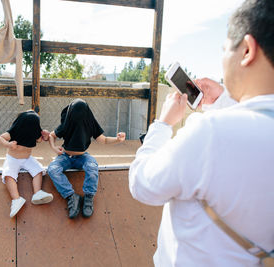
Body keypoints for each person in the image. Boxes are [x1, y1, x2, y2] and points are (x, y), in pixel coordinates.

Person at [129, 0, 274, 266]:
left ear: (246, 50)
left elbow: (142, 185)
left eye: (224, 49)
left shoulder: (209, 135)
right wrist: (223, 100)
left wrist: (163, 124)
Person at [48, 98, 126, 219]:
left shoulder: (90, 124)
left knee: (92, 167)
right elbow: (51, 135)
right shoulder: (66, 124)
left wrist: (117, 139)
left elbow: (103, 140)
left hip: (83, 157)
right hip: (65, 156)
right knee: (52, 169)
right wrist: (54, 148)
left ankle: (88, 197)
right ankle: (71, 196)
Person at [0, 110, 53, 218]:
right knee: (8, 175)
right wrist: (8, 144)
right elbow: (0, 138)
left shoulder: (34, 134)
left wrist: (46, 135)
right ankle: (16, 199)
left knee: (39, 170)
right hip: (12, 159)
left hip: (27, 159)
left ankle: (37, 193)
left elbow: (42, 139)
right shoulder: (13, 132)